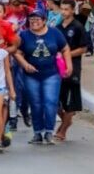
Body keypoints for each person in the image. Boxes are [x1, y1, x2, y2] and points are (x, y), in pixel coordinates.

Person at [13, 10, 71, 145]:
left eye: (37, 19)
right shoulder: (24, 35)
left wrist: (69, 66)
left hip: (51, 73)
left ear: (44, 20)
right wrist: (25, 64)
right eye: (31, 19)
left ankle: (49, 131)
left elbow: (65, 48)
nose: (34, 22)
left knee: (50, 102)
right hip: (31, 75)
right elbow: (17, 52)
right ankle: (37, 132)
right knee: (36, 103)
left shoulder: (54, 33)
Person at [55, 0, 88, 141]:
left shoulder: (78, 27)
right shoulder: (58, 27)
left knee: (70, 102)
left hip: (73, 67)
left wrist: (66, 54)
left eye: (66, 9)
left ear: (73, 10)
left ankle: (63, 130)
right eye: (62, 9)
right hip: (58, 67)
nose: (63, 12)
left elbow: (84, 48)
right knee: (56, 101)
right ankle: (65, 120)